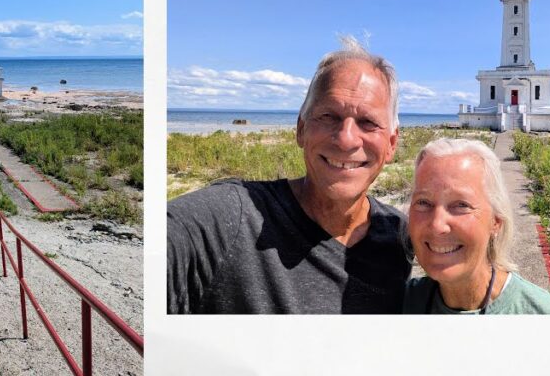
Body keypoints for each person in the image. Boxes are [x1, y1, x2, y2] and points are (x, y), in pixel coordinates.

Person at [167, 37, 411, 314]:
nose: (346, 140)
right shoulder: (233, 218)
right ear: (301, 129)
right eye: (329, 116)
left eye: (368, 122)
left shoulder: (402, 238)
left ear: (391, 144)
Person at [402, 138, 550, 314]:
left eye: (461, 205)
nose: (437, 225)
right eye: (423, 202)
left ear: (496, 221)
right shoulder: (398, 303)